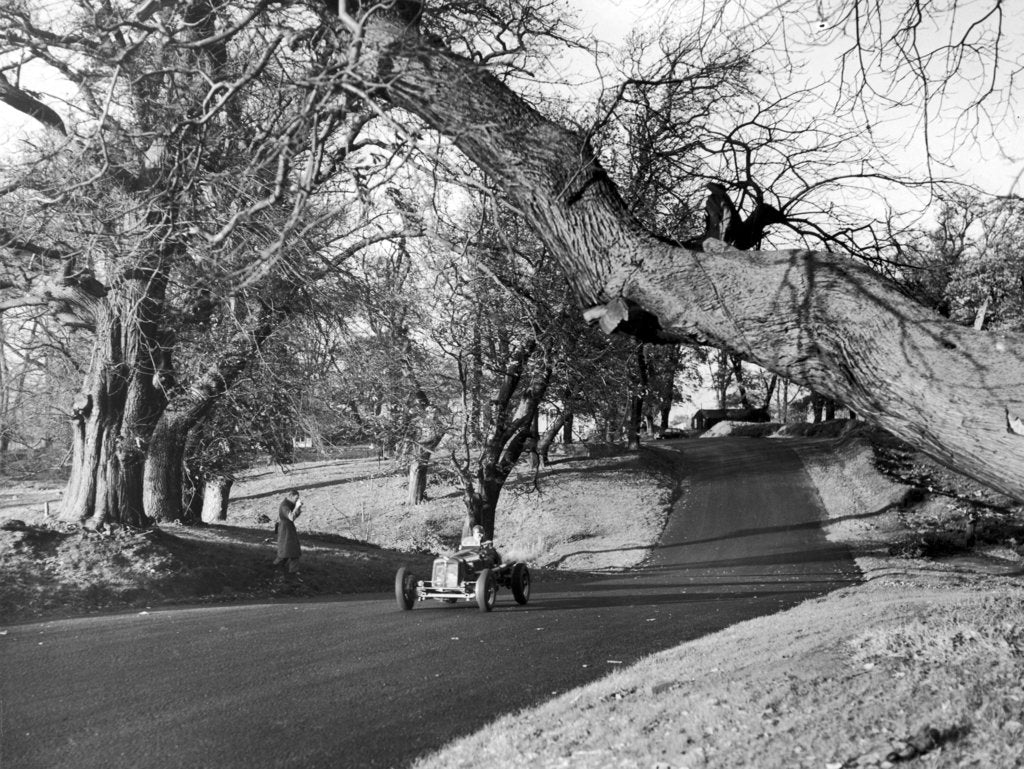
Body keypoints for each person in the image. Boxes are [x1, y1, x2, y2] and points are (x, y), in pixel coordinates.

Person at [273, 489, 303, 575]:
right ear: (290, 496)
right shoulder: (285, 506)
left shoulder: (288, 504)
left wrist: (298, 507)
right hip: (286, 529)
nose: (297, 500)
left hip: (288, 528)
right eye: (296, 498)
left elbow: (293, 516)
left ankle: (277, 566)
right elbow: (291, 517)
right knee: (292, 550)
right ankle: (292, 572)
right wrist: (297, 507)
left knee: (286, 550)